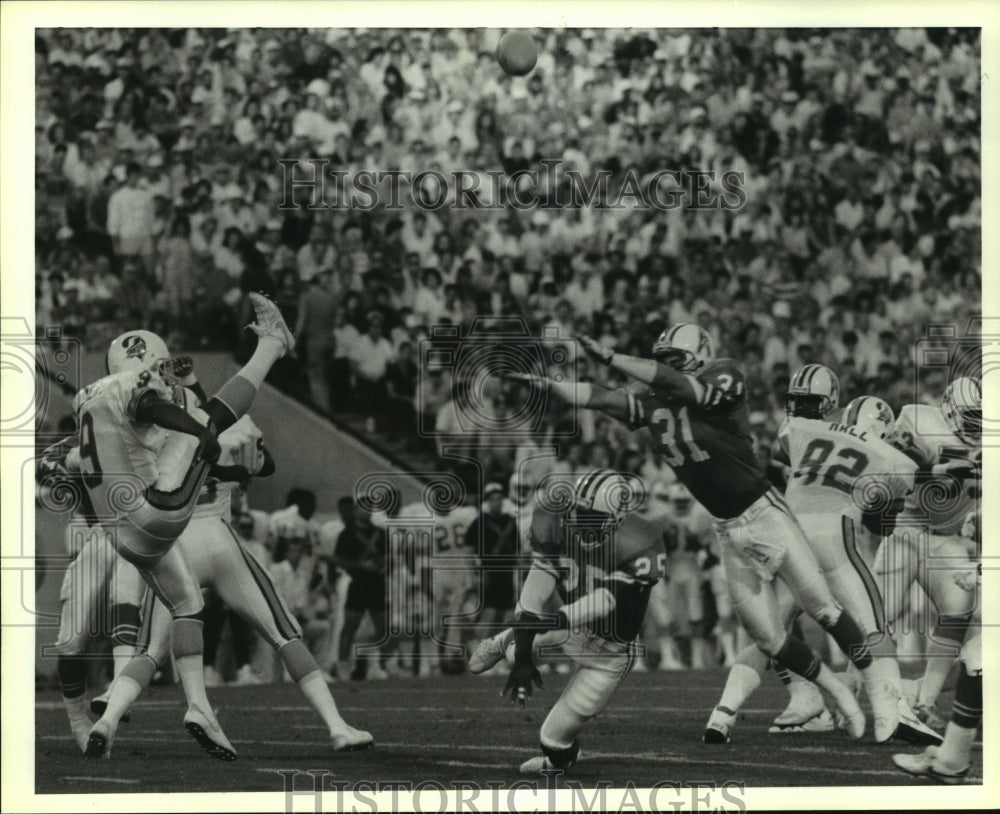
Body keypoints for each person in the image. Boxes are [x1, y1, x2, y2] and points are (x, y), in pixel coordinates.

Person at [519, 324, 876, 744]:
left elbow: (685, 388)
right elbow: (601, 398)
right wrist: (551, 384)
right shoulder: (656, 401)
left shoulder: (725, 375)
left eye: (674, 359)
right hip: (726, 526)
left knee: (822, 607)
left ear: (699, 357)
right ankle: (828, 695)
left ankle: (885, 699)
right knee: (768, 635)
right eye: (663, 360)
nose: (665, 368)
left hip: (765, 512)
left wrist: (613, 357)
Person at [65, 292, 294, 761]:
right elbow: (151, 405)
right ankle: (272, 345)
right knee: (208, 419)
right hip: (158, 510)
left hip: (126, 535)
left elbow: (94, 451)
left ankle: (197, 708)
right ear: (149, 361)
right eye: (162, 369)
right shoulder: (138, 385)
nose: (167, 378)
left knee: (188, 603)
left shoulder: (86, 399)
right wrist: (200, 432)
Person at [84, 406, 373, 756]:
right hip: (219, 538)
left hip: (175, 545)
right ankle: (337, 726)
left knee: (150, 651)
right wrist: (239, 462)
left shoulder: (152, 437)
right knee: (284, 633)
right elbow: (267, 465)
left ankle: (108, 721)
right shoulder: (234, 426)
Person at [710, 382, 942, 744]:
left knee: (773, 633)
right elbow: (879, 525)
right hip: (835, 537)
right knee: (875, 628)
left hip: (788, 535)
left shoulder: (802, 428)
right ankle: (898, 713)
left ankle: (721, 715)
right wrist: (922, 465)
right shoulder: (891, 456)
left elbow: (779, 462)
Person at [468, 470, 667, 774]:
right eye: (578, 513)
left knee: (552, 741)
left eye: (592, 518)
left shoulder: (640, 543)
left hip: (609, 655)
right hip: (572, 630)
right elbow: (532, 597)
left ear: (617, 518)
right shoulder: (554, 524)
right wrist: (522, 656)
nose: (580, 524)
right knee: (514, 654)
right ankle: (502, 641)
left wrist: (549, 621)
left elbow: (603, 601)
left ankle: (558, 758)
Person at [467, 482, 520, 656]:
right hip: (489, 573)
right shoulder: (479, 522)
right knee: (489, 613)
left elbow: (516, 549)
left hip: (507, 572)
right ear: (487, 501)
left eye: (499, 499)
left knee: (506, 614)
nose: (496, 502)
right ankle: (480, 652)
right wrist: (475, 573)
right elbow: (468, 550)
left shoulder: (510, 521)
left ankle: (497, 652)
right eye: (493, 499)